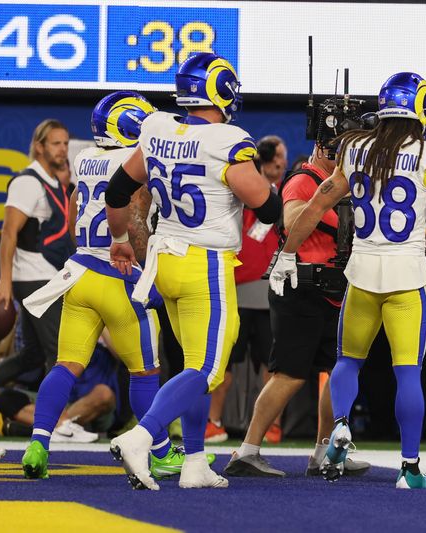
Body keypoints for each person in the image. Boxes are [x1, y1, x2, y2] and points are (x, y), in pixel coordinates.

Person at [268, 72, 426, 489]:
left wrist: (286, 254)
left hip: (362, 272)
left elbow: (315, 205)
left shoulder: (353, 147)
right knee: (407, 373)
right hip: (406, 276)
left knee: (347, 362)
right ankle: (409, 468)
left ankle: (340, 426)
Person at [106, 52, 281, 491]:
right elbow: (267, 206)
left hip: (164, 260)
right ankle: (141, 437)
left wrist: (121, 238)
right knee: (205, 369)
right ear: (220, 91)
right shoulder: (228, 140)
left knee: (191, 367)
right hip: (204, 263)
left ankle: (195, 461)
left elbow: (118, 189)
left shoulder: (158, 128)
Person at [17, 92, 205, 480]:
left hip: (81, 272)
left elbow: (74, 212)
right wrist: (144, 269)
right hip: (120, 275)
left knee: (66, 364)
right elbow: (133, 217)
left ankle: (38, 444)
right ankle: (161, 453)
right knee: (145, 372)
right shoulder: (136, 160)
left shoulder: (85, 157)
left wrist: (88, 251)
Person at [225, 141, 369, 478]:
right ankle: (247, 450)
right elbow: (290, 220)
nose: (339, 155)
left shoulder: (350, 182)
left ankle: (324, 452)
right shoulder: (305, 178)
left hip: (334, 289)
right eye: (333, 148)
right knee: (289, 375)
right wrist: (329, 203)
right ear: (320, 147)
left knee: (338, 371)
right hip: (300, 287)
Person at [0, 119, 74, 427]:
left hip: (47, 276)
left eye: (65, 143)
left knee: (32, 355)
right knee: (60, 352)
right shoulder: (27, 182)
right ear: (39, 146)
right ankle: (56, 423)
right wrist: (5, 281)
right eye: (56, 143)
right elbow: (8, 233)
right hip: (33, 278)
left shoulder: (53, 182)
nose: (63, 149)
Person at [205, 135, 287, 444]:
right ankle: (212, 422)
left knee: (273, 364)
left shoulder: (287, 191)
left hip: (269, 292)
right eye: (276, 157)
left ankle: (271, 426)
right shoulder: (239, 187)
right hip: (236, 288)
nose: (280, 163)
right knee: (225, 363)